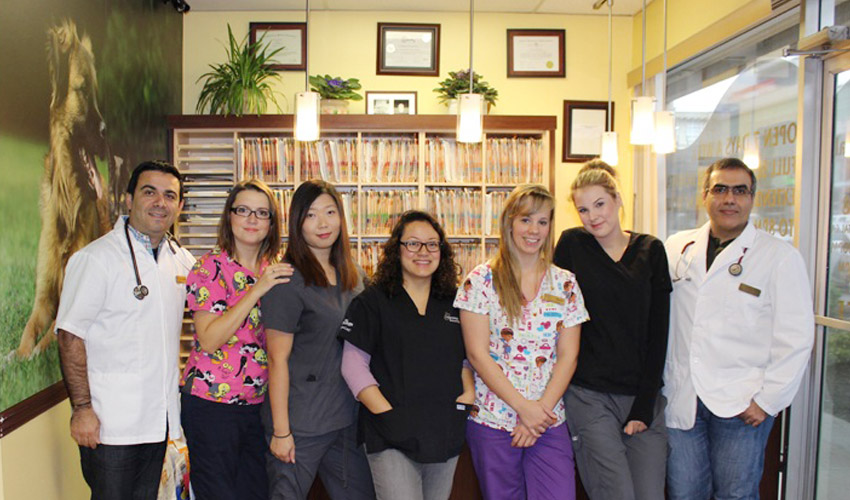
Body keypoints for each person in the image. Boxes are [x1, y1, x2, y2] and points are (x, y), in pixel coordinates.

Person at [664, 157, 815, 499]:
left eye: (739, 190)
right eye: (720, 189)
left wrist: (767, 400)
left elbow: (796, 336)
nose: (729, 198)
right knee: (684, 493)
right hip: (683, 395)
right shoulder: (677, 247)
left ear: (751, 198)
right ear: (705, 196)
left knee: (736, 494)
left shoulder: (779, 257)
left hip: (741, 403)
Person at [54, 160, 195, 499]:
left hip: (161, 423)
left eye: (169, 195)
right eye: (150, 192)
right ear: (128, 199)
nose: (160, 202)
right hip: (111, 426)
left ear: (179, 206)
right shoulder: (96, 259)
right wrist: (82, 409)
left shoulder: (181, 259)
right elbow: (70, 335)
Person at [454, 184, 588, 500]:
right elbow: (477, 354)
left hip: (547, 420)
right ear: (510, 222)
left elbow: (568, 356)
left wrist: (536, 414)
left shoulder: (565, 282)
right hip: (494, 419)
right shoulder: (480, 281)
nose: (534, 230)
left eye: (543, 222)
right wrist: (522, 408)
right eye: (526, 220)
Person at [553, 160, 671, 500]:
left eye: (600, 204)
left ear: (618, 199)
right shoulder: (573, 245)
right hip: (590, 394)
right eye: (583, 209)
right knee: (614, 492)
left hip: (642, 395)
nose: (593, 217)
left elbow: (658, 331)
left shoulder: (651, 250)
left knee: (649, 494)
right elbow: (554, 313)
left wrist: (644, 405)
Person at [339, 210, 475, 500]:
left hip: (444, 431)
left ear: (442, 250)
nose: (423, 252)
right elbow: (353, 365)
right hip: (389, 433)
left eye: (432, 244)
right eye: (412, 243)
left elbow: (466, 357)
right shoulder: (372, 301)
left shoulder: (455, 302)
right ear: (397, 249)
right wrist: (386, 413)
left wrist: (469, 391)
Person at [261, 179, 375, 500]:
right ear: (297, 222)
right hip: (300, 423)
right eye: (311, 215)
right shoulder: (287, 280)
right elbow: (276, 359)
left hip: (345, 418)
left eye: (330, 212)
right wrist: (282, 431)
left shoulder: (355, 276)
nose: (323, 223)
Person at [180, 179, 293, 499]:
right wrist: (255, 289)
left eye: (262, 212)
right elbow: (209, 338)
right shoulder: (207, 268)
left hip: (259, 406)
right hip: (211, 404)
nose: (252, 219)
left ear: (272, 223)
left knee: (256, 492)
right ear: (229, 217)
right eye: (243, 210)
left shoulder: (278, 269)